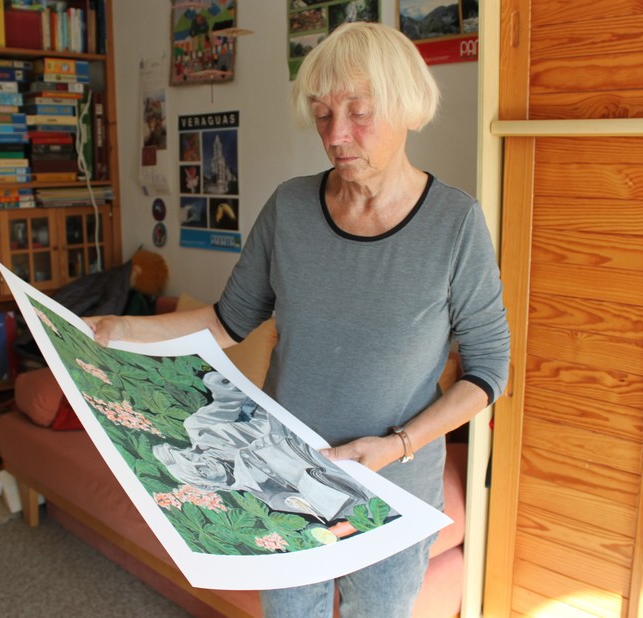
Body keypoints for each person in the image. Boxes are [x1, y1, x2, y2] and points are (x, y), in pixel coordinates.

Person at [87, 21, 510, 618]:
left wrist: (396, 446)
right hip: (278, 477)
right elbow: (227, 322)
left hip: (393, 494)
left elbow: (489, 372)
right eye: (322, 114)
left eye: (358, 112)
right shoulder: (290, 207)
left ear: (407, 107)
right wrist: (120, 329)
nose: (336, 135)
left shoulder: (456, 223)